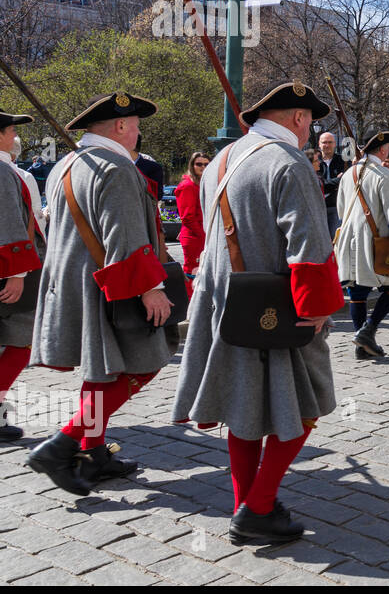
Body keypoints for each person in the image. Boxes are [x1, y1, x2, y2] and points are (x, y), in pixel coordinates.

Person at [173, 81, 344, 544]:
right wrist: (316, 310)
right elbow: (309, 246)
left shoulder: (222, 161)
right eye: (310, 121)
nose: (310, 131)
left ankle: (244, 506)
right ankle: (258, 506)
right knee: (306, 404)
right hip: (276, 306)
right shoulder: (289, 161)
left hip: (224, 303)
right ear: (299, 119)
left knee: (243, 406)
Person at [27, 93, 175, 496]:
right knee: (145, 363)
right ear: (121, 126)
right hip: (112, 285)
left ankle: (93, 453)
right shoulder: (115, 168)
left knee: (101, 371)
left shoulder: (65, 165)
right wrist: (151, 289)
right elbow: (124, 237)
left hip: (74, 282)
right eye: (136, 124)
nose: (139, 131)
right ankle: (63, 443)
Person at [335, 131, 389, 357]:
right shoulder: (384, 174)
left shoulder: (348, 174)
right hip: (374, 240)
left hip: (349, 239)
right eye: (388, 147)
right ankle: (368, 329)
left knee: (358, 292)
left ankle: (362, 346)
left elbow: (342, 211)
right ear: (382, 150)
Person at [0, 112, 43, 442]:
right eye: (12, 129)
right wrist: (17, 273)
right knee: (23, 341)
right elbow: (12, 221)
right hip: (8, 270)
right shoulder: (2, 169)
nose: (15, 135)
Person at [176, 151, 210, 288]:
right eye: (199, 164)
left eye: (206, 164)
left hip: (203, 235)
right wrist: (203, 236)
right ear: (192, 165)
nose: (203, 167)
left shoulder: (203, 184)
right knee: (193, 272)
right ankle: (190, 305)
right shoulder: (188, 186)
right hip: (195, 237)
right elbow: (187, 218)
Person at [316, 131, 347, 236]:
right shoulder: (313, 161)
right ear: (319, 144)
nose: (327, 145)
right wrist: (337, 181)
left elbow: (346, 181)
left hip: (336, 208)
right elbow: (316, 184)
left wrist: (324, 183)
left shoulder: (343, 161)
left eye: (330, 142)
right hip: (317, 208)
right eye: (324, 142)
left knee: (336, 240)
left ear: (335, 144)